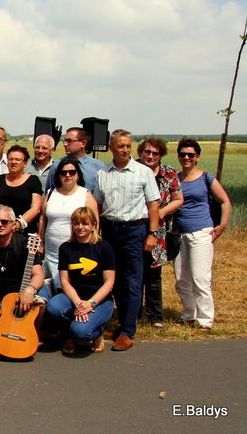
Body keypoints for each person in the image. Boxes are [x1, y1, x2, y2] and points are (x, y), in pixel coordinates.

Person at [93, 129, 159, 351]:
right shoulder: (103, 173)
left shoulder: (143, 172)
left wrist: (152, 233)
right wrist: (97, 232)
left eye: (128, 146)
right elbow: (98, 205)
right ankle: (121, 324)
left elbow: (153, 205)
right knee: (115, 281)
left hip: (134, 231)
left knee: (132, 281)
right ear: (112, 147)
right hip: (110, 231)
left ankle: (128, 332)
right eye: (120, 146)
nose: (125, 150)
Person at [173, 137, 231, 332]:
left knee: (200, 278)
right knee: (182, 279)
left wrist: (222, 225)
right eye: (183, 154)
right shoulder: (176, 179)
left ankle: (205, 319)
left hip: (201, 233)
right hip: (180, 235)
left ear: (197, 157)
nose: (186, 158)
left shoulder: (206, 178)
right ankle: (188, 314)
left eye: (191, 155)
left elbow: (225, 201)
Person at [44, 207, 115, 355]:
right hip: (74, 297)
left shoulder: (104, 247)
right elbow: (64, 281)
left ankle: (97, 333)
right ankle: (67, 337)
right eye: (76, 223)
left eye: (85, 223)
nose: (80, 227)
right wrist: (78, 303)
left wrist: (91, 303)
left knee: (81, 332)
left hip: (99, 300)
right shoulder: (65, 248)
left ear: (93, 226)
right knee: (53, 307)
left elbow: (109, 282)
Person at [136, 137, 183, 330]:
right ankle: (134, 315)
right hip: (135, 227)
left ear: (161, 155)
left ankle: (155, 316)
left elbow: (178, 199)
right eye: (147, 152)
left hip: (159, 231)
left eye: (155, 153)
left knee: (154, 274)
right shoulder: (133, 169)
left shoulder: (169, 173)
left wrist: (161, 212)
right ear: (141, 152)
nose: (150, 156)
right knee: (134, 273)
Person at [38, 157, 98, 298]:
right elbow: (43, 218)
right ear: (58, 175)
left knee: (68, 289)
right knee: (49, 287)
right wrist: (41, 242)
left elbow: (94, 222)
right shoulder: (51, 193)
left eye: (72, 172)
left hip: (76, 251)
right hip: (51, 252)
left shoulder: (85, 194)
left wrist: (91, 245)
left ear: (78, 175)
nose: (68, 175)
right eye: (63, 172)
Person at [0, 206, 45, 337]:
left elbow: (38, 274)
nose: (0, 224)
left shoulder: (25, 244)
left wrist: (30, 290)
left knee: (41, 303)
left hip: (21, 298)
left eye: (4, 221)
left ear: (13, 225)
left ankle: (33, 334)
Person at [0, 145, 43, 236]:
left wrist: (18, 224)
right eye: (10, 159)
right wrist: (0, 222)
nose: (13, 162)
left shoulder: (33, 181)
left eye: (18, 160)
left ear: (25, 163)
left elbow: (36, 208)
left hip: (24, 233)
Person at [46, 127, 105, 192]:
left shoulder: (99, 167)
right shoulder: (57, 165)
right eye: (64, 141)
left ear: (83, 143)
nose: (65, 144)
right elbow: (50, 192)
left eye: (69, 141)